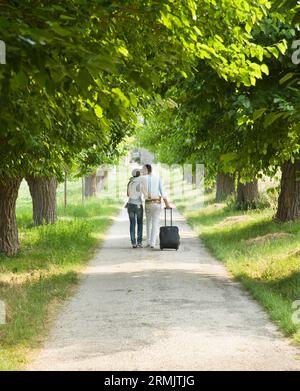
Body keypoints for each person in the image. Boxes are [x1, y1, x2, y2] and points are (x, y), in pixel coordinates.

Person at [140, 164, 171, 249]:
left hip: (148, 203)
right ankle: (153, 243)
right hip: (157, 203)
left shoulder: (142, 178)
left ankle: (148, 242)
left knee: (148, 222)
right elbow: (163, 193)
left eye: (143, 169)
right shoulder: (158, 178)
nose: (142, 170)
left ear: (147, 169)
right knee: (155, 223)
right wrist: (167, 204)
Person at [126, 168, 143, 248]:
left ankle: (133, 243)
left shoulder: (130, 182)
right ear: (139, 174)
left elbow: (128, 195)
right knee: (139, 223)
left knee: (132, 224)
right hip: (138, 205)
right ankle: (139, 242)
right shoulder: (140, 182)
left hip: (130, 205)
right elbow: (142, 193)